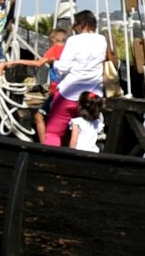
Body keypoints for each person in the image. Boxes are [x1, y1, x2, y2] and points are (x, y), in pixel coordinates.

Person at [42, 10, 110, 151]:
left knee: (53, 133)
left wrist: (54, 63)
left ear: (81, 25)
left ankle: (50, 161)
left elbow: (63, 67)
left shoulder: (74, 41)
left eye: (75, 25)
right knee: (88, 132)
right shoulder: (102, 40)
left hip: (69, 94)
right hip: (92, 95)